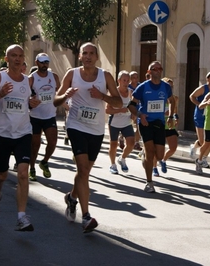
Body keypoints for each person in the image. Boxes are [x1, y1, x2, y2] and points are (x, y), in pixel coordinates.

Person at [54, 42, 122, 233]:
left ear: (97, 56)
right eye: (85, 53)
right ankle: (86, 216)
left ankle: (71, 197)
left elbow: (117, 101)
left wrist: (102, 96)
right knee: (82, 169)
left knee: (84, 173)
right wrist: (65, 95)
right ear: (81, 56)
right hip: (76, 125)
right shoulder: (72, 74)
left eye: (92, 53)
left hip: (97, 129)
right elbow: (55, 100)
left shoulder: (105, 76)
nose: (88, 56)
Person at [0, 44, 41, 231]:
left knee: (23, 174)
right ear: (6, 59)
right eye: (13, 56)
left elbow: (28, 103)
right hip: (2, 134)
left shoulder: (28, 81)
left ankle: (21, 217)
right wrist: (0, 94)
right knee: (1, 175)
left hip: (23, 132)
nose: (17, 59)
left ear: (24, 59)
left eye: (20, 56)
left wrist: (33, 103)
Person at [127, 61, 175, 193]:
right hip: (145, 122)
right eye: (155, 69)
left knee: (159, 155)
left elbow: (172, 101)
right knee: (149, 150)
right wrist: (139, 114)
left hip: (159, 123)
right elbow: (131, 105)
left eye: (160, 68)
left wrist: (171, 116)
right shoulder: (142, 87)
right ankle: (149, 182)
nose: (158, 71)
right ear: (149, 72)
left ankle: (145, 157)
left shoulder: (166, 87)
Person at [28, 53, 60, 181]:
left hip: (50, 115)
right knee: (35, 145)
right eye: (42, 62)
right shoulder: (32, 78)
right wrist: (30, 100)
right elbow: (26, 96)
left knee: (52, 142)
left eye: (46, 62)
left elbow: (59, 92)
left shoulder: (54, 77)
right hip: (35, 116)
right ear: (36, 63)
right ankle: (32, 168)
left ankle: (44, 161)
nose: (44, 64)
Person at [106, 70, 134, 174]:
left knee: (131, 143)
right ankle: (113, 165)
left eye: (128, 80)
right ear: (119, 81)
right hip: (114, 122)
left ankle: (122, 158)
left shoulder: (130, 92)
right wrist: (119, 110)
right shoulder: (114, 93)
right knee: (114, 144)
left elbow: (132, 106)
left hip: (126, 121)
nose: (126, 83)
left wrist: (133, 114)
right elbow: (107, 110)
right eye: (124, 80)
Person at [189, 71, 210, 167]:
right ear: (207, 79)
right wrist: (199, 104)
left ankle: (204, 158)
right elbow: (192, 96)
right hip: (200, 116)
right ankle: (195, 146)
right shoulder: (203, 88)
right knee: (202, 141)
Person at [153, 77, 179, 176]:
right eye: (168, 86)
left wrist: (176, 117)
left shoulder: (174, 98)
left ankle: (163, 160)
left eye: (171, 87)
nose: (170, 88)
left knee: (173, 148)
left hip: (169, 125)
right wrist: (164, 112)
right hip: (159, 124)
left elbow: (175, 110)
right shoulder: (158, 96)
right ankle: (154, 168)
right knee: (158, 148)